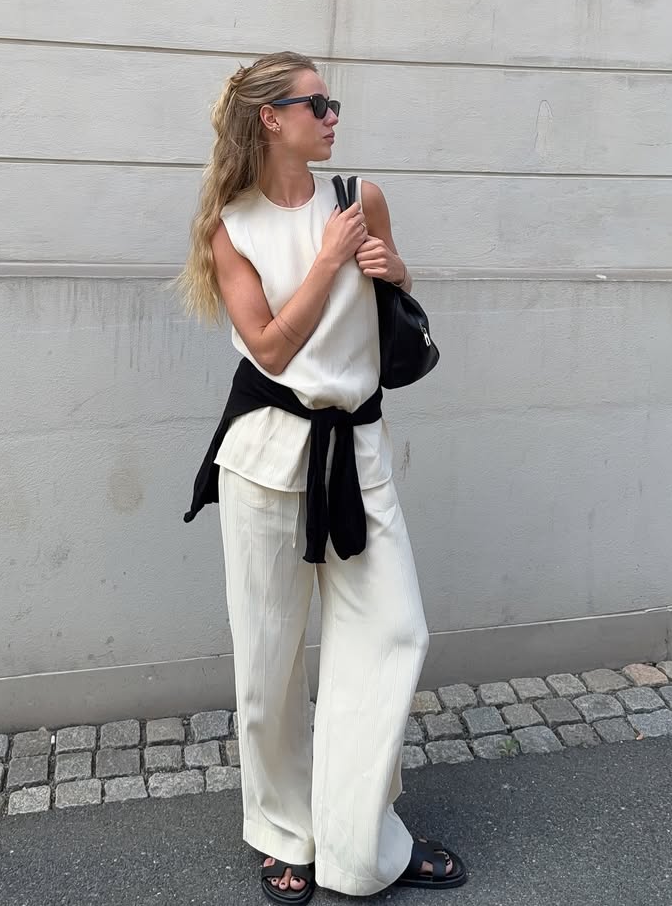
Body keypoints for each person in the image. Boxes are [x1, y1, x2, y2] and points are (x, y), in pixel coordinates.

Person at [180, 52, 467, 902]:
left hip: (358, 452)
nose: (334, 115)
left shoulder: (360, 197)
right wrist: (329, 260)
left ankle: (358, 837)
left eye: (332, 103)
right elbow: (270, 349)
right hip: (267, 458)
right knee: (268, 665)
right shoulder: (228, 228)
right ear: (271, 117)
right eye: (318, 103)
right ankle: (284, 832)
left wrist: (390, 268)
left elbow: (398, 289)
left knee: (393, 631)